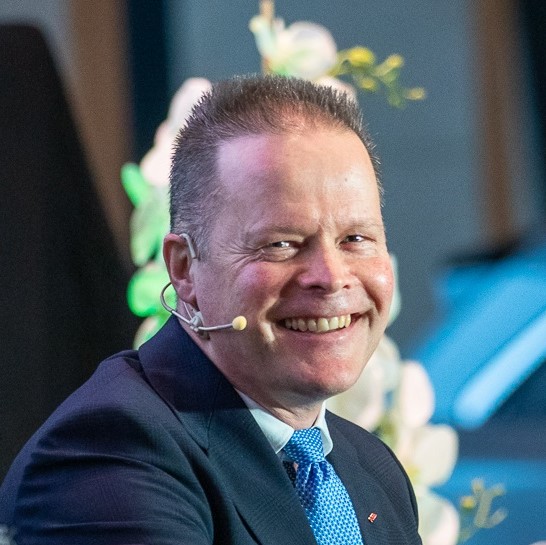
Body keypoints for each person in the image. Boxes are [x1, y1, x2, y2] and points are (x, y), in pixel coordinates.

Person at [0, 75, 422, 545]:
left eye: (356, 239)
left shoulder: (373, 470)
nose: (331, 276)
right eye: (281, 244)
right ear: (184, 269)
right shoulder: (110, 451)